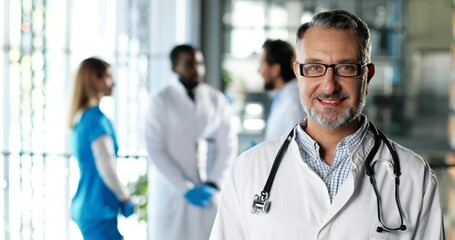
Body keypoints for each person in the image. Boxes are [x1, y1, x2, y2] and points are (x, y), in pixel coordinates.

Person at [210, 10, 444, 240]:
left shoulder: (414, 177)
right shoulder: (247, 170)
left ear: (368, 75)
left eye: (346, 68)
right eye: (314, 67)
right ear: (297, 73)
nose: (329, 85)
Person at [144, 44, 238, 240]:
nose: (197, 69)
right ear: (173, 68)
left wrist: (213, 182)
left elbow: (227, 144)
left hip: (209, 193)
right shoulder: (161, 101)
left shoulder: (216, 99)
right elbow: (155, 149)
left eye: (199, 63)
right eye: (189, 64)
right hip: (172, 193)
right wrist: (183, 187)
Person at [67, 57, 134, 240]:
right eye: (108, 77)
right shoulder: (96, 121)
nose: (113, 83)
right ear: (93, 80)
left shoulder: (80, 118)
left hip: (88, 205)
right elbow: (106, 167)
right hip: (98, 208)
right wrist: (125, 196)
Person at [259, 39, 306, 141]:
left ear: (275, 69)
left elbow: (294, 146)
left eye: (262, 64)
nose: (259, 70)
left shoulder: (294, 102)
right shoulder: (284, 97)